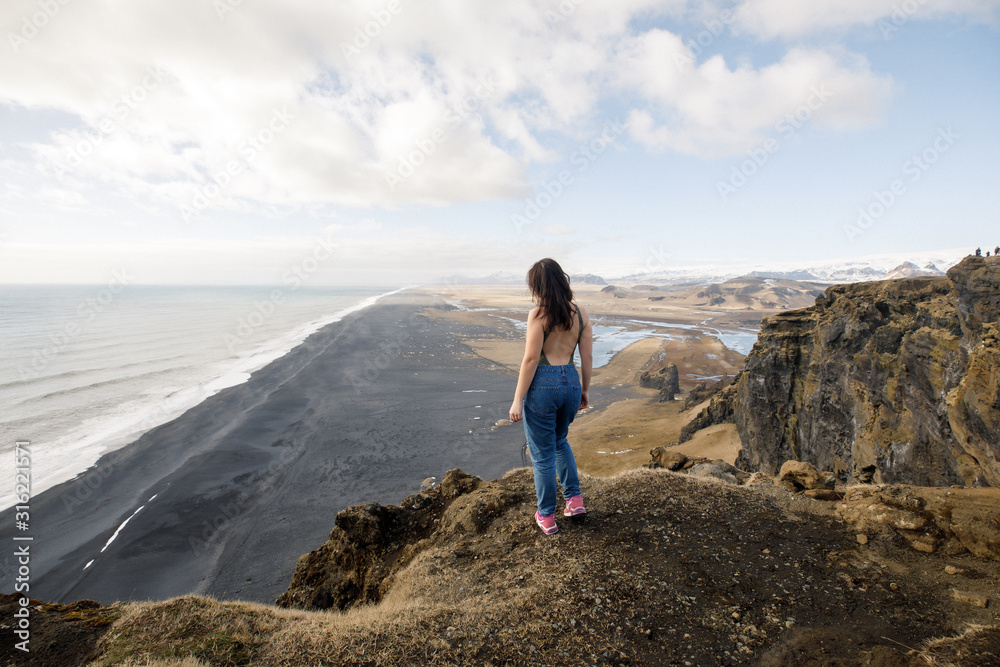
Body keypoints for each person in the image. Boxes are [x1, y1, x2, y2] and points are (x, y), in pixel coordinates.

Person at [509, 258, 593, 535]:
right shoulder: (580, 313)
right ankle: (575, 500)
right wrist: (584, 389)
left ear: (537, 285)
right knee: (560, 441)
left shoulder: (539, 315)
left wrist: (517, 399)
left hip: (543, 384)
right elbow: (587, 355)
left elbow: (532, 359)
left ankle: (546, 516)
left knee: (542, 455)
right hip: (570, 380)